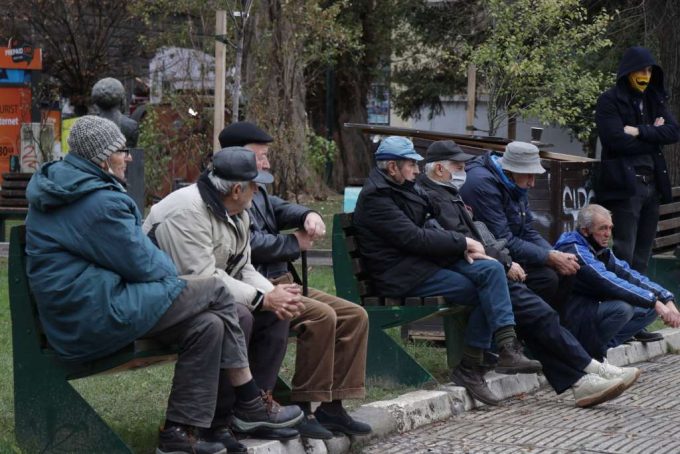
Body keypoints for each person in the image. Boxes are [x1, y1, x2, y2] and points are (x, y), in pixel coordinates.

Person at [24, 116, 302, 454]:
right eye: (121, 151)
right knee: (214, 290)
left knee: (209, 324)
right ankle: (248, 399)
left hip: (88, 306)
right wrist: (167, 269)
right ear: (101, 158)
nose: (128, 157)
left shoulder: (76, 190)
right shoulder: (97, 202)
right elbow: (144, 263)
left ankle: (178, 433)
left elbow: (133, 259)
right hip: (92, 315)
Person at [418, 140, 639, 408]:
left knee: (546, 293)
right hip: (472, 272)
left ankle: (577, 371)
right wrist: (508, 261)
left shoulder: (450, 192)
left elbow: (488, 234)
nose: (533, 183)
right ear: (440, 169)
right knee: (538, 312)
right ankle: (587, 369)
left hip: (484, 268)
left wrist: (550, 255)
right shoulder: (457, 190)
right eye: (458, 166)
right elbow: (467, 239)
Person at [352, 135, 545, 406]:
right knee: (485, 286)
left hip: (422, 264)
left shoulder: (403, 186)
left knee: (491, 272)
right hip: (401, 275)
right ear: (393, 167)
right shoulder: (377, 198)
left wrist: (466, 246)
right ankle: (476, 362)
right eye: (411, 164)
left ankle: (500, 350)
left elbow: (434, 220)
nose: (417, 170)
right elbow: (413, 237)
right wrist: (463, 243)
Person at [218, 121, 371, 439]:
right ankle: (302, 408)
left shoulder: (257, 189)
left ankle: (333, 408)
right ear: (238, 155)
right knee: (321, 317)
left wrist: (307, 215)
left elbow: (278, 208)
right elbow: (246, 242)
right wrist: (292, 243)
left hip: (281, 280)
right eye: (261, 156)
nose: (267, 163)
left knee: (354, 316)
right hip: (257, 286)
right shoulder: (226, 190)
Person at [143, 147, 305, 441]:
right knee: (239, 314)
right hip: (164, 304)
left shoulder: (236, 211)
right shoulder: (187, 211)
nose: (258, 191)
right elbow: (204, 277)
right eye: (255, 185)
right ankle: (218, 420)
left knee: (276, 312)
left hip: (204, 296)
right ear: (237, 189)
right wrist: (262, 298)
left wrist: (273, 294)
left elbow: (243, 267)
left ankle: (254, 410)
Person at [460, 141, 580, 308]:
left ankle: (554, 322)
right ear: (511, 170)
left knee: (566, 270)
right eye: (529, 175)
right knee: (547, 278)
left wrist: (554, 254)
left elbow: (527, 230)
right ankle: (528, 322)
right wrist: (548, 257)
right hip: (488, 256)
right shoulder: (481, 184)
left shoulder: (513, 182)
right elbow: (502, 239)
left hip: (509, 251)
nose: (532, 183)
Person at [554, 204, 680, 360]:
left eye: (610, 228)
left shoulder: (600, 249)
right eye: (602, 228)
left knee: (652, 307)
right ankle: (588, 355)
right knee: (623, 309)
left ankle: (596, 351)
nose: (608, 234)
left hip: (590, 310)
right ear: (585, 231)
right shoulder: (575, 250)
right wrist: (654, 301)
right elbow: (609, 281)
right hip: (571, 316)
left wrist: (665, 298)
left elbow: (630, 275)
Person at [595, 46, 680, 275]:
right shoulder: (609, 101)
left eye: (650, 70)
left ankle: (639, 297)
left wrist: (639, 131)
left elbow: (673, 132)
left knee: (643, 256)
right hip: (625, 186)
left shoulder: (654, 100)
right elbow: (616, 140)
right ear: (629, 71)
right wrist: (654, 136)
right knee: (624, 253)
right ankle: (621, 296)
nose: (646, 75)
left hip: (653, 185)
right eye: (641, 70)